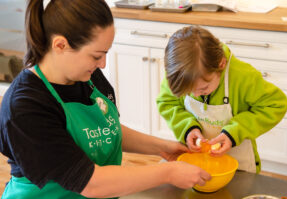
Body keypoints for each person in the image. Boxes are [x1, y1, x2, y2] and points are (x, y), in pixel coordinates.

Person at [0, 1, 212, 199]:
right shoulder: (25, 107)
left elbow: (106, 129)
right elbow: (91, 183)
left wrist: (163, 147)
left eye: (105, 53)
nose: (102, 64)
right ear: (60, 45)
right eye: (96, 55)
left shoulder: (86, 75)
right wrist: (167, 172)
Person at [156, 26, 287, 173]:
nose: (196, 95)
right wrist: (187, 129)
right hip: (195, 158)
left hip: (239, 164)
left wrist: (234, 132)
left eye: (203, 89)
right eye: (188, 92)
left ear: (221, 64)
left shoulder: (243, 77)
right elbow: (167, 102)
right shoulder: (180, 76)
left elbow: (276, 105)